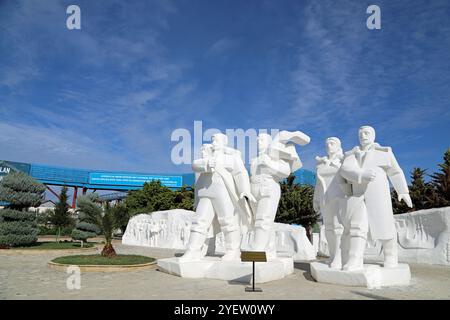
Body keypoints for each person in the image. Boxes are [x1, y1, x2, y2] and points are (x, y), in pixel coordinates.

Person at [339, 126, 412, 271]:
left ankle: (390, 255)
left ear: (373, 136)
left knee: (385, 226)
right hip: (358, 196)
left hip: (379, 195)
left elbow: (395, 172)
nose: (363, 136)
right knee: (357, 227)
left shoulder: (383, 152)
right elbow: (344, 171)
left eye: (366, 133)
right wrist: (361, 175)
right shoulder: (351, 155)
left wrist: (403, 191)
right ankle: (355, 258)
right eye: (360, 134)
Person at [180, 133, 255, 261]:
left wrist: (245, 190)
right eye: (213, 140)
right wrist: (207, 163)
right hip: (206, 193)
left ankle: (233, 250)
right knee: (199, 221)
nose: (214, 143)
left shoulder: (231, 158)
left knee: (228, 220)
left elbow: (240, 173)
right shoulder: (206, 157)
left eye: (217, 140)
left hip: (223, 192)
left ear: (224, 142)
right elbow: (195, 165)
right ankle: (193, 250)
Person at [249, 133, 290, 254]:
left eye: (261, 139)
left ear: (268, 142)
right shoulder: (254, 160)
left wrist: (269, 163)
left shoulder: (275, 157)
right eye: (257, 139)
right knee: (256, 220)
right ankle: (269, 248)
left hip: (268, 188)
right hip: (254, 190)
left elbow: (285, 172)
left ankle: (258, 248)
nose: (258, 141)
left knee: (263, 219)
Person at [313, 137, 345, 269]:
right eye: (327, 144)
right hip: (324, 198)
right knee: (329, 228)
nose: (329, 146)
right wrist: (315, 199)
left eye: (332, 144)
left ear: (338, 146)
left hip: (339, 197)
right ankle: (333, 255)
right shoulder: (321, 164)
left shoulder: (343, 161)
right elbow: (318, 183)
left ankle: (339, 256)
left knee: (338, 228)